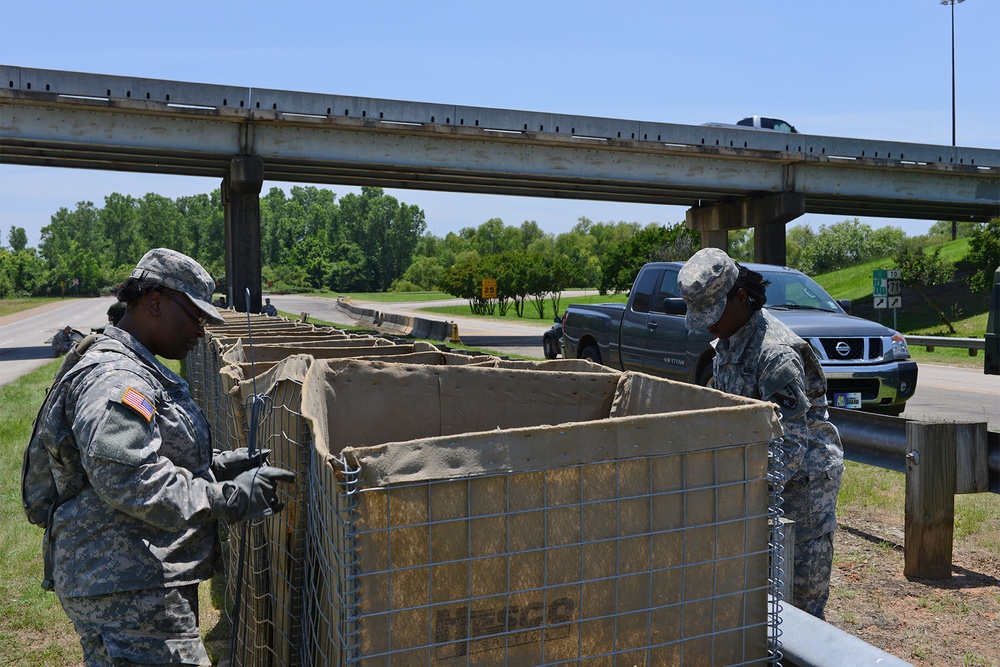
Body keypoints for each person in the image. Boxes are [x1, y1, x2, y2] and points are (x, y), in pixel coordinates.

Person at [30, 248, 295, 666]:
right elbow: (128, 480)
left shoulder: (136, 366)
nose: (202, 331)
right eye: (195, 316)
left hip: (135, 574)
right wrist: (225, 496)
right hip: (125, 585)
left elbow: (142, 453)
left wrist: (217, 465)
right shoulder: (116, 378)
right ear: (156, 302)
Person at [677, 247, 844, 619]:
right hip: (757, 480)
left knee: (800, 600)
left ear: (741, 298)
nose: (708, 325)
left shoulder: (775, 354)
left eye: (713, 314)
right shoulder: (729, 340)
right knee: (754, 591)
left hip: (803, 486)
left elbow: (791, 443)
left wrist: (741, 493)